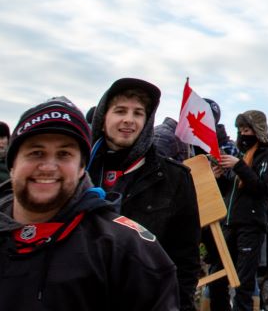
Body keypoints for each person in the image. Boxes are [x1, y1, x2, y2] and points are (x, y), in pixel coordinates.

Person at [0, 96, 179, 308]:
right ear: (12, 165)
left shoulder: (128, 250)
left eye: (64, 154)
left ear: (81, 168)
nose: (48, 166)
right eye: (36, 153)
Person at [86, 77, 202, 309]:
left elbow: (185, 260)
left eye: (138, 113)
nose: (129, 120)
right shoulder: (77, 171)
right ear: (102, 119)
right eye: (120, 111)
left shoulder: (175, 177)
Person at [216, 109, 268, 311]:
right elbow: (231, 191)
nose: (243, 134)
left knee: (244, 282)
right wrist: (220, 176)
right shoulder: (243, 155)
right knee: (217, 275)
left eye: (247, 129)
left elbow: (262, 187)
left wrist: (239, 166)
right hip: (229, 223)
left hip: (251, 225)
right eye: (240, 130)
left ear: (258, 130)